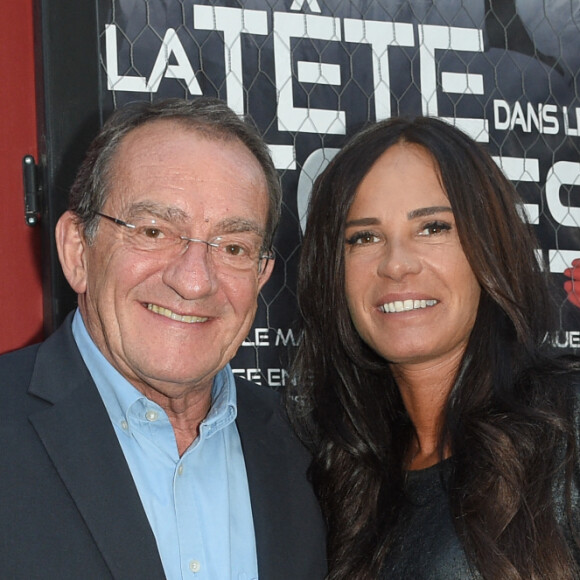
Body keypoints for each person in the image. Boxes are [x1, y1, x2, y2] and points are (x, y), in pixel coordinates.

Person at [0, 98, 326, 579]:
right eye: (154, 231)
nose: (193, 281)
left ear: (261, 276)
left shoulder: (313, 452)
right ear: (77, 251)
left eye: (233, 247)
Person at [288, 115, 580, 579]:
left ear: (489, 244)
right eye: (364, 237)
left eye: (433, 228)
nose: (396, 264)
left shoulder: (568, 425)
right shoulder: (336, 477)